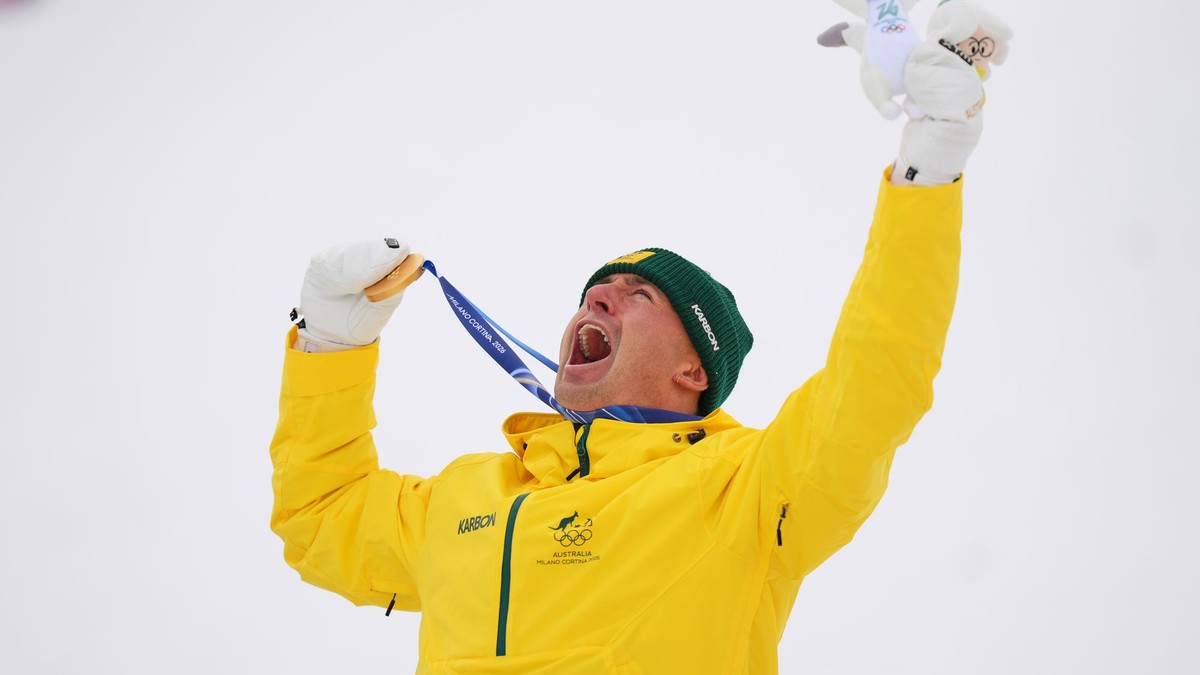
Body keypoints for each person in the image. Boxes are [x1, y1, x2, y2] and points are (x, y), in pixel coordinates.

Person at [269, 10, 1001, 672]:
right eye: (594, 292)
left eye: (637, 296)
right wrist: (330, 344)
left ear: (693, 367)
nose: (598, 296)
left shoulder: (744, 490)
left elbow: (874, 382)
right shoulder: (464, 497)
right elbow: (320, 518)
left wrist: (927, 171)